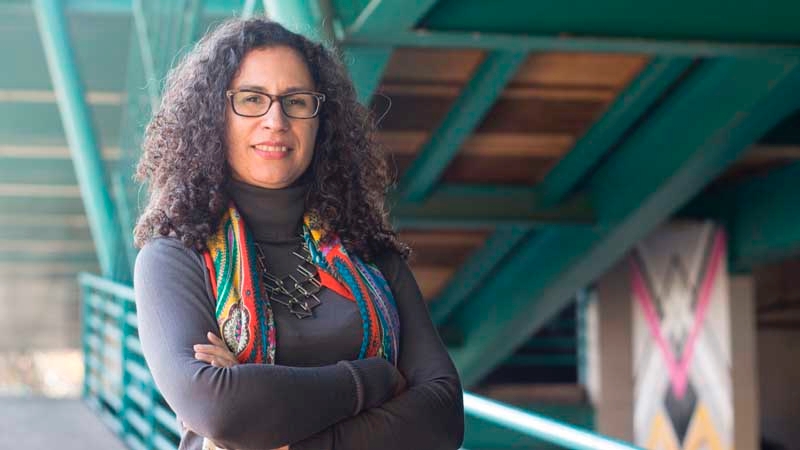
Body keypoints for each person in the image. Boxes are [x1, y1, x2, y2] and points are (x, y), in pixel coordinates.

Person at [132, 17, 465, 450]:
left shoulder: (368, 250)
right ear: (214, 115)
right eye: (252, 99)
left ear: (320, 120)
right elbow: (218, 407)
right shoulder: (175, 257)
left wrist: (286, 432)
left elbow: (444, 415)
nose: (276, 120)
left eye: (296, 101)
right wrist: (376, 379)